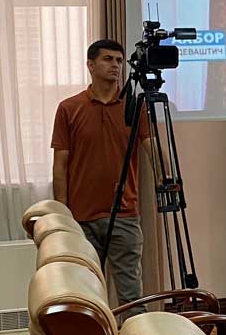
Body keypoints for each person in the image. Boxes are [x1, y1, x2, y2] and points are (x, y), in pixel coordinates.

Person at [51, 39, 151, 317]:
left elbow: (151, 146)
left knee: (131, 293)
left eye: (119, 60)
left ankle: (136, 330)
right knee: (85, 293)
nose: (115, 66)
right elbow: (60, 164)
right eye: (108, 59)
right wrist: (63, 215)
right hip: (81, 217)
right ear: (90, 65)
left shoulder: (134, 107)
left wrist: (170, 177)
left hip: (124, 214)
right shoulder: (69, 108)